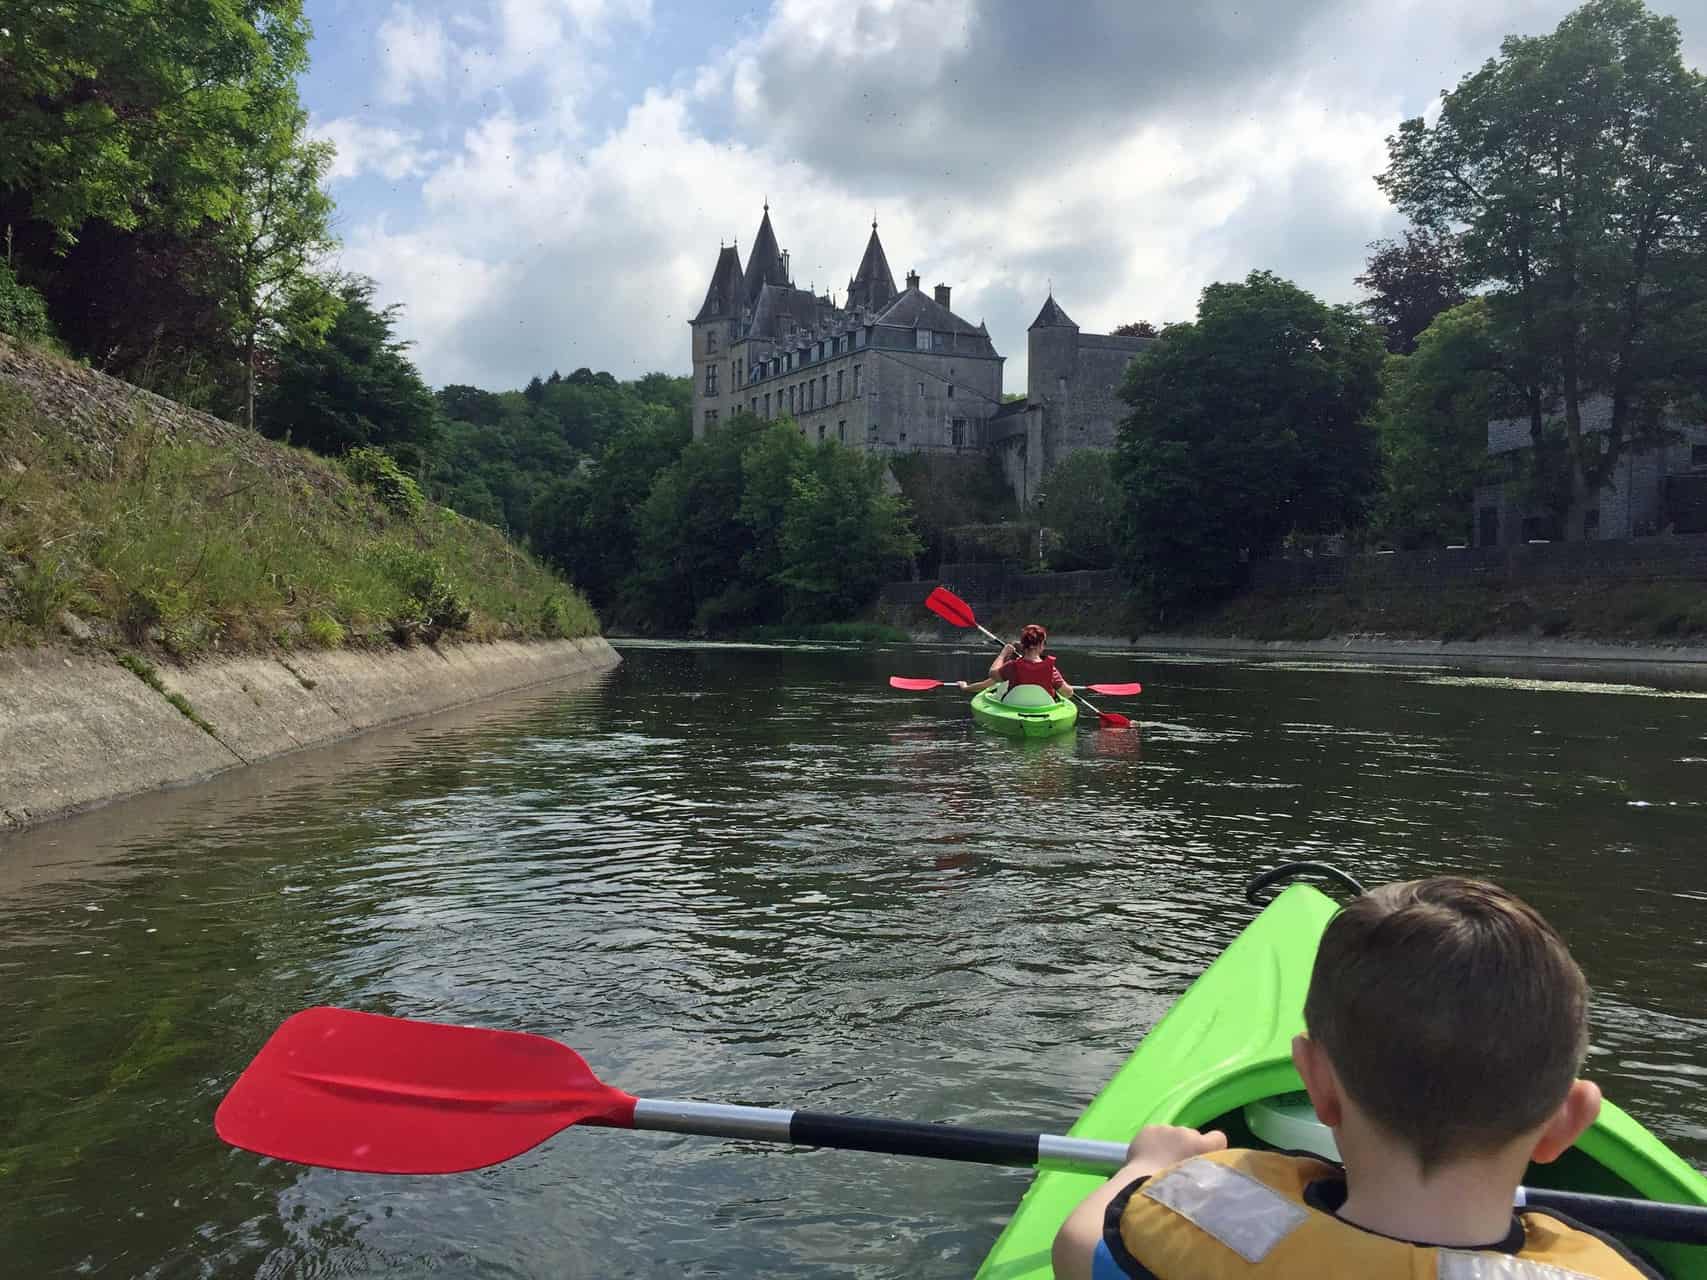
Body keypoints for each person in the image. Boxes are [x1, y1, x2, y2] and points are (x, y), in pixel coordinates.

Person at [1052, 877, 1661, 1280]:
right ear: (1569, 1122)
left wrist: (1144, 1163)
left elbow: (1077, 1247)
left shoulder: (1194, 1228)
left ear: (1316, 1085)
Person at [957, 623, 1075, 701]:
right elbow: (1068, 693)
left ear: (1023, 646)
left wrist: (1003, 653)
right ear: (1041, 645)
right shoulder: (1051, 669)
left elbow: (992, 674)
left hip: (1015, 707)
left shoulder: (1012, 667)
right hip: (1044, 709)